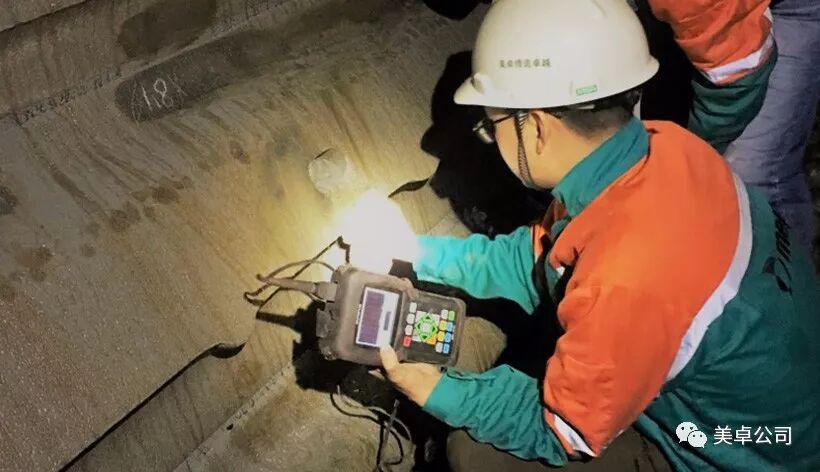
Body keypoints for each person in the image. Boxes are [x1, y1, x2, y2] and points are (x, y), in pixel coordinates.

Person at [374, 0, 820, 470]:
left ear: (537, 127)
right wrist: (417, 252)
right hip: (770, 400)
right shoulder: (665, 150)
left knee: (475, 455)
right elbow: (538, 260)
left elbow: (559, 430)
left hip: (740, 454)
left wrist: (435, 388)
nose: (492, 137)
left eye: (491, 126)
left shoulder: (626, 277)